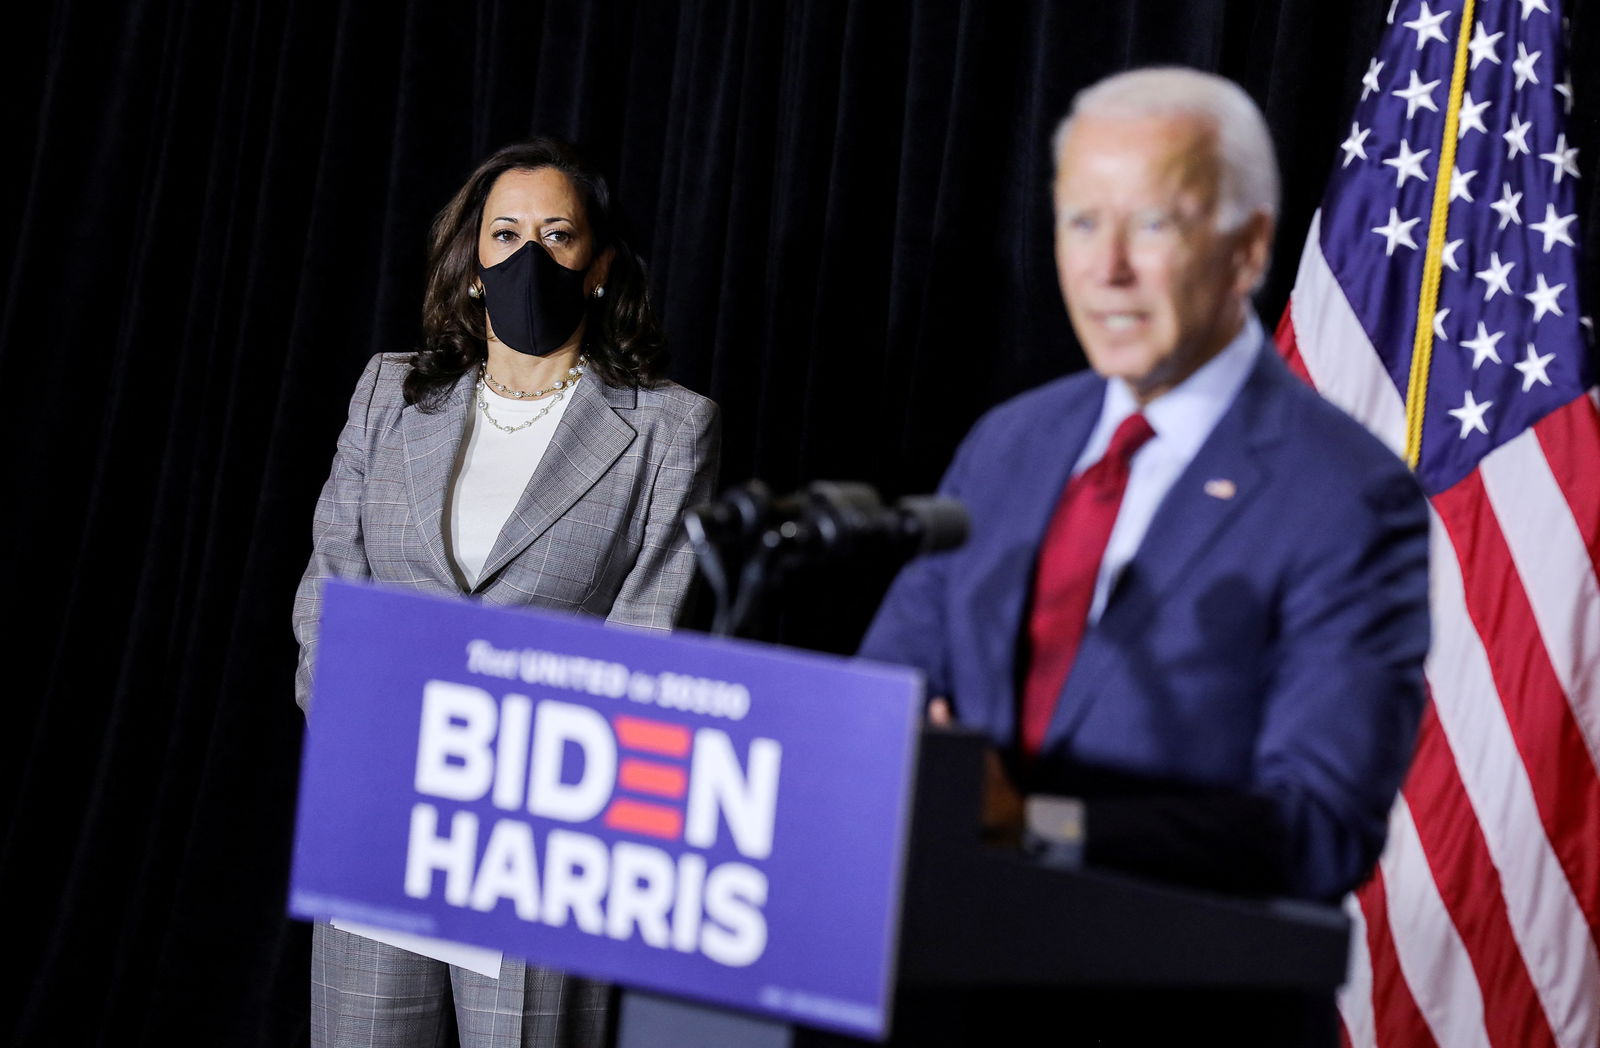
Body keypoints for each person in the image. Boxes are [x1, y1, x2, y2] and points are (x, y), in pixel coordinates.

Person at [860, 67, 1429, 906]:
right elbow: (881, 701)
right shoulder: (1010, 444)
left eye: (1153, 223)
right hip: (935, 969)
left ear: (1249, 248)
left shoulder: (1347, 494)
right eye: (1082, 222)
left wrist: (1036, 828)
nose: (1108, 268)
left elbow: (1319, 826)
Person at [291, 138, 719, 1047]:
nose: (532, 255)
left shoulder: (668, 429)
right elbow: (331, 579)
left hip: (536, 835)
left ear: (598, 266)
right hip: (381, 807)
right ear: (473, 263)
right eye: (507, 232)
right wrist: (353, 732)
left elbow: (651, 630)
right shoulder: (388, 393)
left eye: (559, 234)